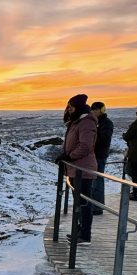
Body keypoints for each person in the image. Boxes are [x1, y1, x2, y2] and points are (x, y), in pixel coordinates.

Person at [62, 93, 98, 243]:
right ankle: (80, 230)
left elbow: (85, 146)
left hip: (83, 169)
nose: (69, 110)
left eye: (71, 107)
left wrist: (69, 156)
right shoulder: (77, 122)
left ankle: (84, 234)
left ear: (78, 107)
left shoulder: (86, 123)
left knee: (83, 203)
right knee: (79, 202)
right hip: (76, 169)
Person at [90, 101, 114, 214]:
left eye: (95, 110)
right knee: (93, 181)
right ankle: (94, 205)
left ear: (101, 110)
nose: (93, 112)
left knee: (97, 181)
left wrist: (93, 137)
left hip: (99, 155)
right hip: (94, 155)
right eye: (92, 110)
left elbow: (104, 140)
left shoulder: (106, 123)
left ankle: (97, 207)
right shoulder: (96, 122)